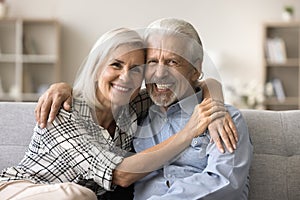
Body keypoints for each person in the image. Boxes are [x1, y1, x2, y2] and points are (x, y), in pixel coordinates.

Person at [0, 27, 234, 200]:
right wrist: (189, 131)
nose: (125, 77)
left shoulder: (132, 106)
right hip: (22, 189)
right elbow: (120, 174)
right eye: (116, 65)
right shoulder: (62, 112)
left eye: (135, 70)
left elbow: (188, 85)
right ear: (95, 69)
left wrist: (215, 95)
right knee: (75, 195)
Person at [131, 18, 253, 199]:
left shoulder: (223, 119)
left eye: (172, 62)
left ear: (195, 69)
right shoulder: (136, 117)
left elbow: (225, 183)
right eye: (152, 61)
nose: (160, 73)